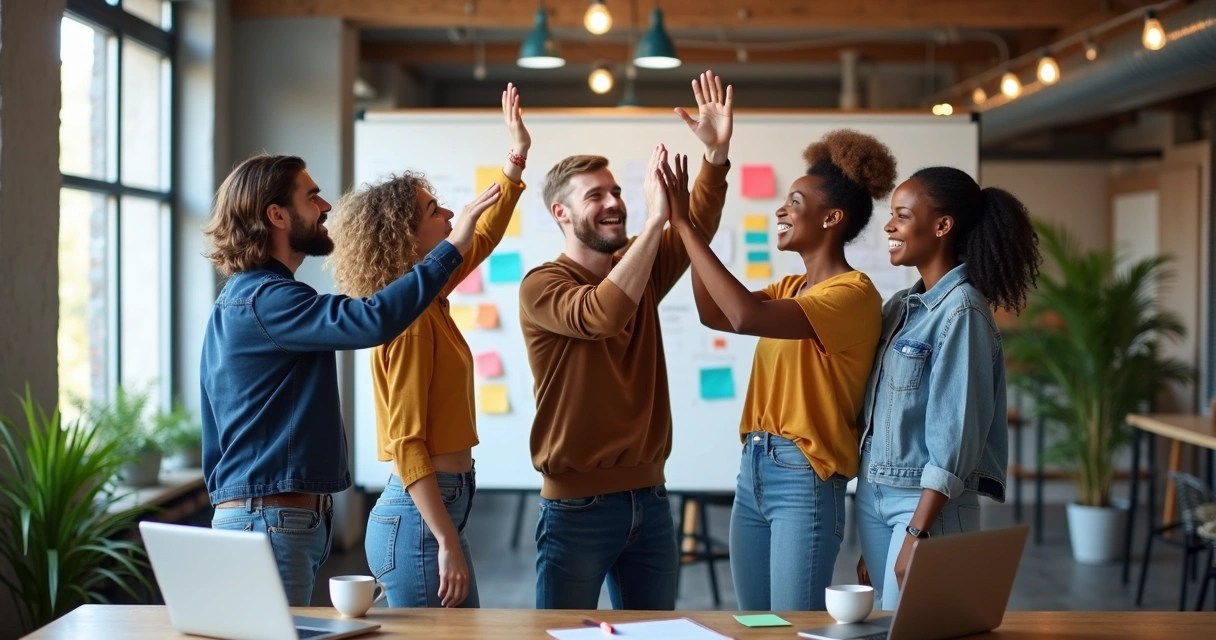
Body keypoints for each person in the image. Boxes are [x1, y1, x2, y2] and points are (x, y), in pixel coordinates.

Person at [199, 152, 489, 606]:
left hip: (274, 520)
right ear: (277, 215)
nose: (327, 207)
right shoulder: (266, 301)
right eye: (312, 197)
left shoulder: (247, 298)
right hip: (270, 521)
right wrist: (449, 251)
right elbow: (371, 320)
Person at [518, 70, 733, 610]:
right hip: (576, 510)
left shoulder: (638, 266)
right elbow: (602, 314)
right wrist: (660, 217)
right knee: (563, 636)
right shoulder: (542, 285)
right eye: (596, 195)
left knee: (653, 634)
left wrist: (715, 157)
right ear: (561, 213)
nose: (614, 202)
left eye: (615, 191)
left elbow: (695, 226)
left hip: (651, 501)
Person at [656, 130, 896, 610]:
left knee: (792, 625)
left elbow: (746, 317)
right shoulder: (792, 285)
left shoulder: (853, 294)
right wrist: (688, 230)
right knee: (756, 623)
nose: (781, 211)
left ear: (831, 218)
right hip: (755, 467)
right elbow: (718, 314)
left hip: (804, 476)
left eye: (794, 202)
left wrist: (686, 226)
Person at [326, 84, 529, 609]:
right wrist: (444, 540)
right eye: (434, 210)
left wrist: (514, 165)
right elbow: (407, 443)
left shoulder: (428, 299)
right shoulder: (412, 322)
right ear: (405, 237)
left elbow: (482, 238)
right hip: (420, 521)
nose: (451, 215)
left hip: (435, 512)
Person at [854, 167, 1040, 611]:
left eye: (901, 215)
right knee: (886, 625)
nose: (889, 225)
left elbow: (954, 437)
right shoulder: (902, 307)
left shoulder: (964, 313)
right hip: (875, 495)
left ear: (942, 226)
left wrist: (916, 531)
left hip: (926, 507)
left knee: (914, 627)